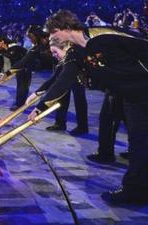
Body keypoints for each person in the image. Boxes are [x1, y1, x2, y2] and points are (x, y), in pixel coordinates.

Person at [29, 9, 148, 204]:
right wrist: (40, 108)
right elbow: (63, 80)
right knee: (139, 142)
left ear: (65, 28)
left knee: (140, 142)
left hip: (144, 89)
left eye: (53, 33)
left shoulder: (104, 35)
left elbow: (143, 46)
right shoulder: (77, 52)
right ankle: (135, 190)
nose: (51, 37)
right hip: (130, 97)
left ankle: (135, 190)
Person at [26, 38, 88, 136]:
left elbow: (56, 81)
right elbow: (55, 79)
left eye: (55, 52)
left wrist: (39, 104)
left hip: (79, 79)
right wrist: (37, 93)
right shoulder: (62, 60)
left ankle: (82, 126)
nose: (54, 55)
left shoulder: (72, 57)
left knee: (79, 100)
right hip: (67, 78)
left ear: (64, 48)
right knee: (61, 98)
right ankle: (60, 123)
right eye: (52, 53)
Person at [10, 25, 55, 111]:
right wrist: (9, 71)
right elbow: (25, 60)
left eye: (31, 37)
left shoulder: (51, 40)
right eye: (28, 37)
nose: (30, 39)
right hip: (55, 67)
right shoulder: (36, 47)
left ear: (37, 35)